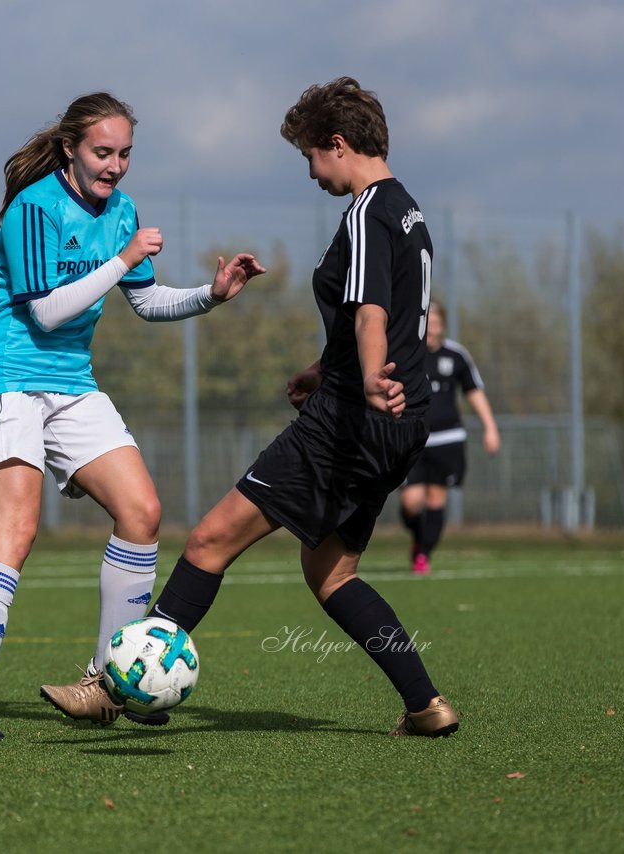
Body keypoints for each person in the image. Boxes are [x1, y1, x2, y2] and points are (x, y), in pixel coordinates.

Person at [0, 92, 266, 739]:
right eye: (102, 152)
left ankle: (109, 684)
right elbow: (46, 314)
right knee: (18, 530)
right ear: (70, 150)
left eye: (125, 154)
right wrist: (123, 258)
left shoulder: (122, 213)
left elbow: (145, 302)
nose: (115, 166)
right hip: (8, 377)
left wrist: (211, 295)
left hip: (72, 385)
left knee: (142, 513)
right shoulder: (33, 210)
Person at [144, 77, 459, 737]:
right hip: (398, 420)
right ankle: (426, 706)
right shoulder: (409, 211)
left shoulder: (369, 210)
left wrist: (365, 378)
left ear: (338, 145)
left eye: (312, 156)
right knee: (331, 570)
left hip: (353, 417)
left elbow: (373, 313)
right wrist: (323, 370)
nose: (312, 173)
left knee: (208, 540)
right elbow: (395, 315)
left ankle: (121, 687)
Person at [399, 299, 499, 574]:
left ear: (442, 325)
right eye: (426, 322)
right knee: (410, 502)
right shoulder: (406, 352)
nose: (430, 328)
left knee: (435, 499)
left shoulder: (456, 355)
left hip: (448, 439)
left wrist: (490, 427)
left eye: (436, 323)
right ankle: (420, 539)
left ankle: (422, 556)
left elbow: (474, 392)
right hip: (412, 440)